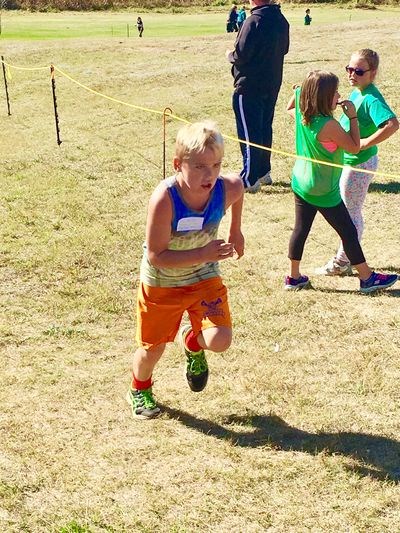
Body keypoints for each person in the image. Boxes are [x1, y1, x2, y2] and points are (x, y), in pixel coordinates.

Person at [126, 121, 245, 419]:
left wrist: (236, 230)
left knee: (220, 340)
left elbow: (239, 187)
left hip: (203, 276)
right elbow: (156, 256)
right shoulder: (165, 199)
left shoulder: (223, 188)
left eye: (216, 165)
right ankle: (139, 388)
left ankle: (192, 341)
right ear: (178, 165)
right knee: (152, 349)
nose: (210, 174)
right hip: (162, 283)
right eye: (201, 166)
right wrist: (203, 251)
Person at [285, 70, 398, 293]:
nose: (339, 95)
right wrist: (353, 117)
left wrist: (301, 89)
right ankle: (367, 278)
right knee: (348, 231)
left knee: (300, 229)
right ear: (324, 97)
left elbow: (291, 105)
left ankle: (293, 277)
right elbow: (354, 146)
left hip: (301, 182)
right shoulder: (329, 125)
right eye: (335, 92)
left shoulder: (303, 111)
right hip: (322, 189)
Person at [317, 49, 399, 276]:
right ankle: (348, 258)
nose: (352, 74)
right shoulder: (357, 92)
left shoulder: (371, 97)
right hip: (349, 161)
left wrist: (363, 144)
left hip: (359, 164)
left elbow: (392, 124)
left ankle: (343, 261)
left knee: (350, 213)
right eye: (349, 69)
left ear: (372, 73)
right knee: (350, 211)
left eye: (359, 71)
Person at [226, 0, 290, 193]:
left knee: (249, 132)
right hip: (271, 83)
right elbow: (284, 49)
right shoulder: (281, 20)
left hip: (249, 85)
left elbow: (241, 55)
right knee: (263, 127)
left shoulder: (253, 21)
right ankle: (263, 171)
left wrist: (230, 55)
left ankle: (250, 178)